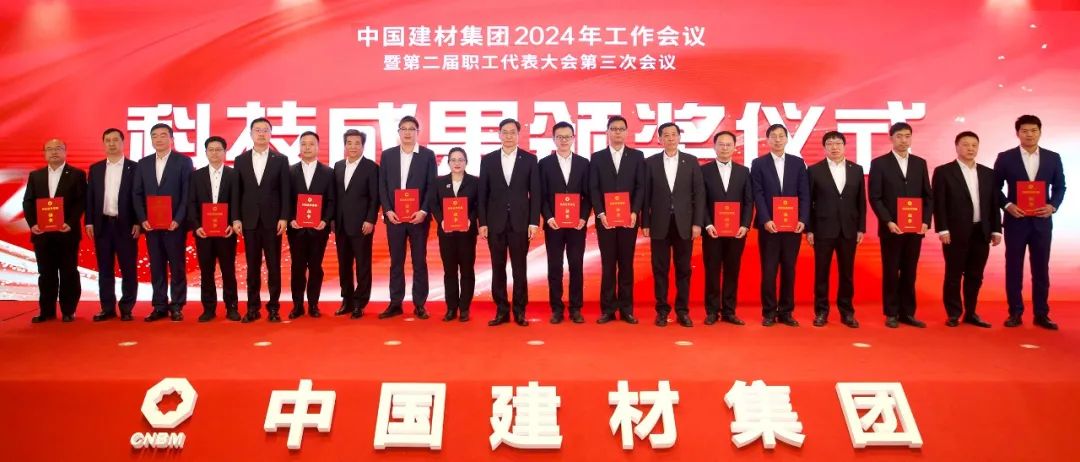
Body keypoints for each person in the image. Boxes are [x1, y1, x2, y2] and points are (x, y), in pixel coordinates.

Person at [994, 115, 1066, 330]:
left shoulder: (1053, 158)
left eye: (1034, 130)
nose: (1029, 134)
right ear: (1017, 133)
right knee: (1013, 267)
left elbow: (1060, 187)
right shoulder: (1006, 157)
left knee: (1041, 268)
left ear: (1040, 132)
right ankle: (1015, 312)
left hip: (1042, 222)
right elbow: (994, 188)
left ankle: (1041, 314)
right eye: (1024, 131)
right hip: (1016, 221)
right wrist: (1007, 205)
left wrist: (1052, 206)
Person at [932, 131, 1001, 328]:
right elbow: (939, 203)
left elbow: (993, 204)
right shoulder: (944, 171)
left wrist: (996, 230)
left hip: (981, 231)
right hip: (955, 232)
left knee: (975, 275)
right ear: (957, 146)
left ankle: (971, 312)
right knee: (953, 274)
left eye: (974, 145)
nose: (970, 148)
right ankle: (954, 313)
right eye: (965, 144)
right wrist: (942, 229)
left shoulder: (988, 173)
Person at [868, 122, 933, 328]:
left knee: (910, 271)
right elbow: (875, 197)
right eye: (899, 136)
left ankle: (908, 313)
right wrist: (888, 221)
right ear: (891, 138)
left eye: (907, 136)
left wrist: (925, 221)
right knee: (890, 271)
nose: (903, 140)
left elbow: (928, 196)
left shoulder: (919, 163)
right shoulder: (879, 164)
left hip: (915, 229)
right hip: (891, 229)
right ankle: (891, 312)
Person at [478, 118, 541, 327]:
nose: (508, 136)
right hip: (495, 223)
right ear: (499, 134)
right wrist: (482, 222)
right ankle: (501, 310)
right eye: (504, 132)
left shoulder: (530, 159)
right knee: (498, 268)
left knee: (519, 269)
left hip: (520, 223)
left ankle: (520, 311)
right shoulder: (488, 160)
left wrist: (533, 222)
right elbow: (482, 194)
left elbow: (536, 193)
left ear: (518, 134)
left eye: (512, 132)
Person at [641, 122, 704, 327]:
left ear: (679, 137)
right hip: (659, 224)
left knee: (683, 269)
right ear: (659, 139)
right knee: (660, 269)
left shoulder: (691, 161)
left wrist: (697, 223)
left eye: (673, 134)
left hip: (684, 224)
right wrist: (645, 222)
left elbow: (699, 195)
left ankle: (682, 311)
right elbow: (646, 196)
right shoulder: (650, 163)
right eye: (666, 135)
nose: (670, 138)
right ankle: (662, 311)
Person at [377, 116, 437, 320]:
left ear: (418, 132)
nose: (408, 132)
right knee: (396, 261)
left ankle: (420, 304)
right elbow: (382, 185)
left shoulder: (427, 155)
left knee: (419, 261)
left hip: (418, 218)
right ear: (399, 132)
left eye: (412, 129)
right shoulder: (388, 155)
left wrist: (424, 211)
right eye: (404, 129)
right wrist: (387, 210)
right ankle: (395, 303)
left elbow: (431, 186)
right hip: (394, 217)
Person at [232, 117, 291, 323]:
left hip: (272, 221)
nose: (261, 134)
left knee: (274, 266)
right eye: (257, 130)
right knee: (252, 267)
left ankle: (274, 308)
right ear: (251, 134)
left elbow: (285, 191)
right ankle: (252, 308)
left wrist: (284, 217)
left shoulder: (280, 160)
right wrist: (236, 218)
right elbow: (236, 192)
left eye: (265, 130)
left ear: (271, 134)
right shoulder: (240, 160)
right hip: (249, 221)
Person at [750, 124, 810, 327]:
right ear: (767, 140)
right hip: (769, 227)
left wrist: (802, 219)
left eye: (781, 136)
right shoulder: (758, 163)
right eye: (773, 136)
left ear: (786, 139)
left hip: (793, 227)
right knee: (769, 271)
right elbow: (757, 194)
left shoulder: (797, 163)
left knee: (789, 270)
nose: (777, 140)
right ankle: (769, 312)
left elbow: (804, 193)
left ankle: (786, 312)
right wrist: (766, 219)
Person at [133, 123, 193, 322]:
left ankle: (177, 305)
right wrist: (142, 219)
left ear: (171, 139)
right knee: (157, 266)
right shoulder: (143, 163)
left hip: (174, 225)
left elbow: (187, 194)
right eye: (155, 136)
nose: (159, 139)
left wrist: (178, 219)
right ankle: (159, 306)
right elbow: (137, 193)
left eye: (163, 135)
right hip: (151, 225)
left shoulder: (183, 161)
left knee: (177, 266)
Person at [589, 115, 645, 325]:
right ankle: (608, 309)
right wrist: (600, 213)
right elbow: (593, 188)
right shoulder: (597, 157)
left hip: (629, 219)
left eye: (621, 129)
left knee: (626, 264)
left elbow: (640, 187)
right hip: (606, 220)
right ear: (607, 132)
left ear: (627, 132)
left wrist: (635, 211)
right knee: (608, 264)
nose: (617, 132)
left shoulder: (637, 156)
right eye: (613, 129)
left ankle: (626, 309)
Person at [806, 131, 865, 328]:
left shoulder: (856, 169)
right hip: (823, 229)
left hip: (849, 229)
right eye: (830, 143)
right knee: (821, 273)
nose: (834, 147)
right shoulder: (814, 170)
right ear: (824, 147)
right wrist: (810, 229)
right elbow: (808, 202)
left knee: (847, 273)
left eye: (838, 143)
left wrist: (861, 228)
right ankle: (821, 312)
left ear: (844, 146)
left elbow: (861, 201)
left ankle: (847, 312)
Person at [22, 138, 85, 323]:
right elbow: (28, 201)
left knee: (68, 273)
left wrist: (71, 222)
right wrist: (33, 224)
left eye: (58, 148)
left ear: (65, 151)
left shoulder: (77, 174)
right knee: (46, 274)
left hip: (67, 233)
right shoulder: (36, 175)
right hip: (42, 234)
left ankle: (68, 310)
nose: (54, 152)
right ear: (44, 153)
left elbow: (81, 201)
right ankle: (47, 311)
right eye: (49, 149)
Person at [538, 121, 591, 324]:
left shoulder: (583, 163)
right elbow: (540, 195)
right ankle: (557, 309)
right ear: (553, 139)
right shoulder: (544, 164)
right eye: (559, 137)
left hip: (577, 225)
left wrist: (583, 217)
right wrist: (548, 217)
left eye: (567, 136)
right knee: (555, 267)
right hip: (554, 225)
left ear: (573, 138)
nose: (563, 140)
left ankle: (576, 308)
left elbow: (588, 195)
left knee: (576, 265)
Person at [85, 128, 139, 322]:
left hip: (126, 225)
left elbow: (138, 198)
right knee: (105, 269)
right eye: (108, 140)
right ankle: (107, 308)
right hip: (103, 225)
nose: (112, 143)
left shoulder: (134, 168)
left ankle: (127, 308)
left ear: (123, 143)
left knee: (128, 269)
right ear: (104, 144)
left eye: (115, 140)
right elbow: (90, 197)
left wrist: (138, 222)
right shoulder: (96, 168)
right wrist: (89, 221)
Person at [701, 131, 752, 326]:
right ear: (714, 147)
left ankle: (729, 311)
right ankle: (712, 311)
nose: (724, 148)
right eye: (721, 144)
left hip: (737, 232)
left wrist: (745, 225)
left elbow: (748, 201)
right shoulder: (704, 171)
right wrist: (707, 223)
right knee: (712, 271)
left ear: (734, 147)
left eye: (728, 144)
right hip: (712, 231)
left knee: (732, 270)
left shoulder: (744, 171)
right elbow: (701, 201)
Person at [188, 136, 240, 321]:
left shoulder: (233, 175)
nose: (215, 153)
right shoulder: (196, 176)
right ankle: (208, 308)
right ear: (206, 153)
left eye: (219, 150)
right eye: (211, 150)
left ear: (225, 152)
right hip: (204, 233)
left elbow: (237, 202)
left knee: (228, 271)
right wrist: (196, 226)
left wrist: (233, 223)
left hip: (226, 232)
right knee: (206, 271)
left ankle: (231, 307)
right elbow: (191, 203)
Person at [286, 131, 334, 319]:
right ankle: (297, 305)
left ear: (318, 147)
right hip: (296, 229)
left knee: (315, 267)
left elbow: (331, 200)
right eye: (304, 144)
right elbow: (285, 199)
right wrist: (290, 218)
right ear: (299, 147)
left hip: (319, 229)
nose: (307, 147)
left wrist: (325, 220)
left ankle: (313, 304)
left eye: (311, 144)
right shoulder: (290, 172)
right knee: (297, 267)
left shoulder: (328, 172)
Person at [333, 129, 380, 319]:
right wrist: (332, 220)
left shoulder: (371, 167)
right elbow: (335, 196)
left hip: (362, 225)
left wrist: (370, 219)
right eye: (349, 143)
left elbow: (375, 197)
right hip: (341, 224)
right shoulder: (338, 166)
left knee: (362, 265)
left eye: (357, 143)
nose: (353, 146)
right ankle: (347, 300)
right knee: (343, 265)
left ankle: (360, 302)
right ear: (345, 145)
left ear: (363, 145)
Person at [428, 148, 478, 322]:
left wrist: (471, 219)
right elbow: (433, 204)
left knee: (467, 270)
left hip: (467, 234)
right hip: (446, 234)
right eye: (453, 160)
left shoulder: (475, 182)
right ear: (448, 163)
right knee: (449, 271)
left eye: (461, 160)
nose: (457, 163)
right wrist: (441, 220)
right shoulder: (439, 182)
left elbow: (478, 205)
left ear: (466, 162)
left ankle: (464, 308)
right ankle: (451, 308)